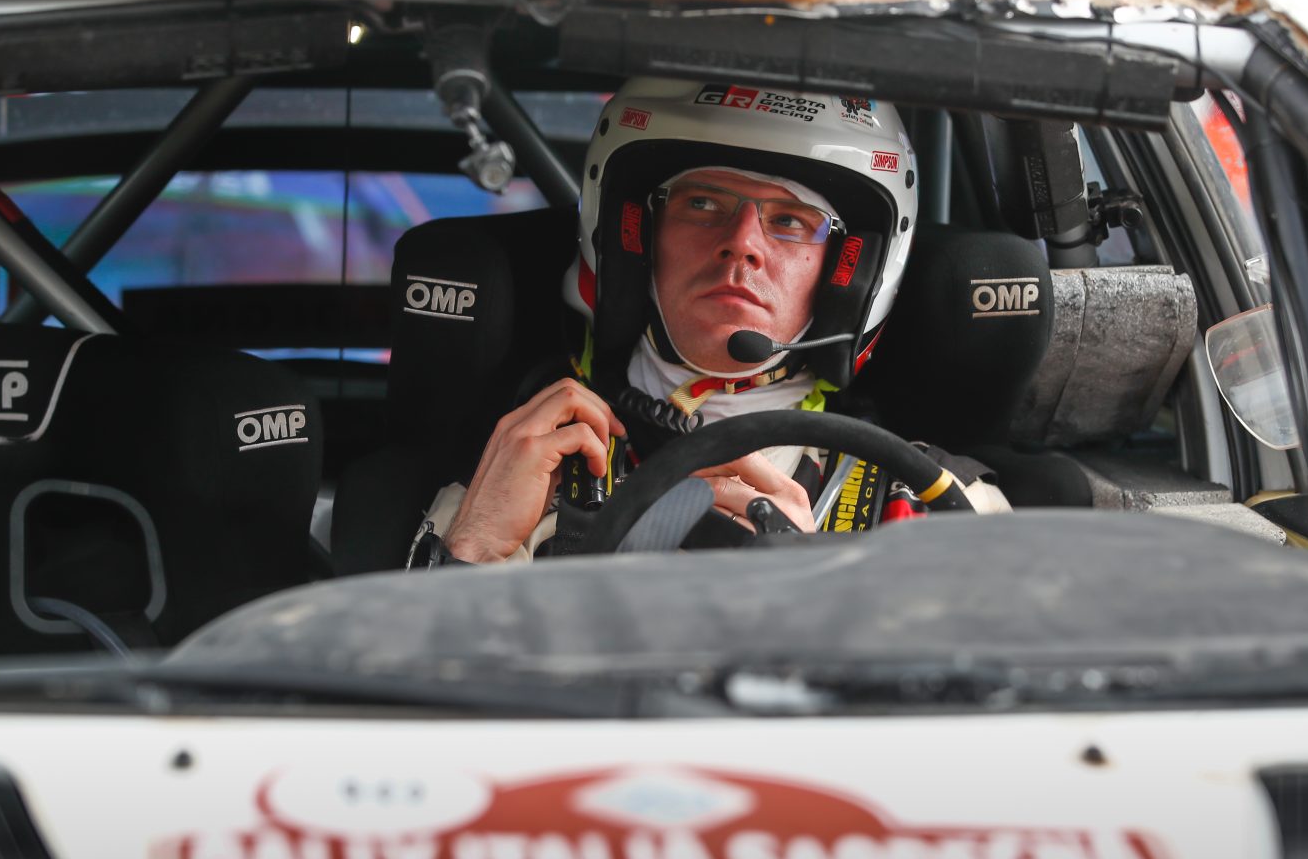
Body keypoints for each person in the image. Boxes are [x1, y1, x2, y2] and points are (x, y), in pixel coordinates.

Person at [410, 77, 1002, 566]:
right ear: (636, 239)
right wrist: (476, 549)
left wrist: (811, 594)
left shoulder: (931, 503)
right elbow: (410, 673)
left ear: (845, 273)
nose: (742, 243)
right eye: (701, 203)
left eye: (790, 221)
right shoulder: (517, 473)